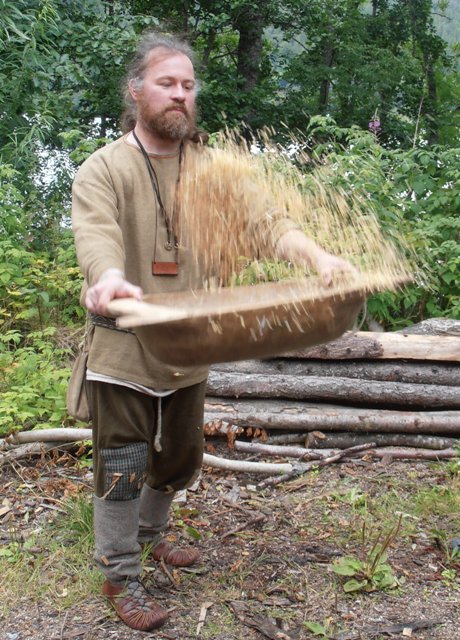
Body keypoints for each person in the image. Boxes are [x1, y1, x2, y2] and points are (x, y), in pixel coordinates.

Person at [71, 31, 355, 632]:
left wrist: (320, 258)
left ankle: (152, 535)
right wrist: (110, 278)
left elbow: (270, 223)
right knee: (122, 462)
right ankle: (120, 572)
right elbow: (97, 236)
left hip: (190, 344)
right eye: (166, 83)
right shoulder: (104, 170)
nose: (179, 95)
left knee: (180, 456)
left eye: (188, 86)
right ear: (136, 91)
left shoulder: (212, 169)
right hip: (125, 345)